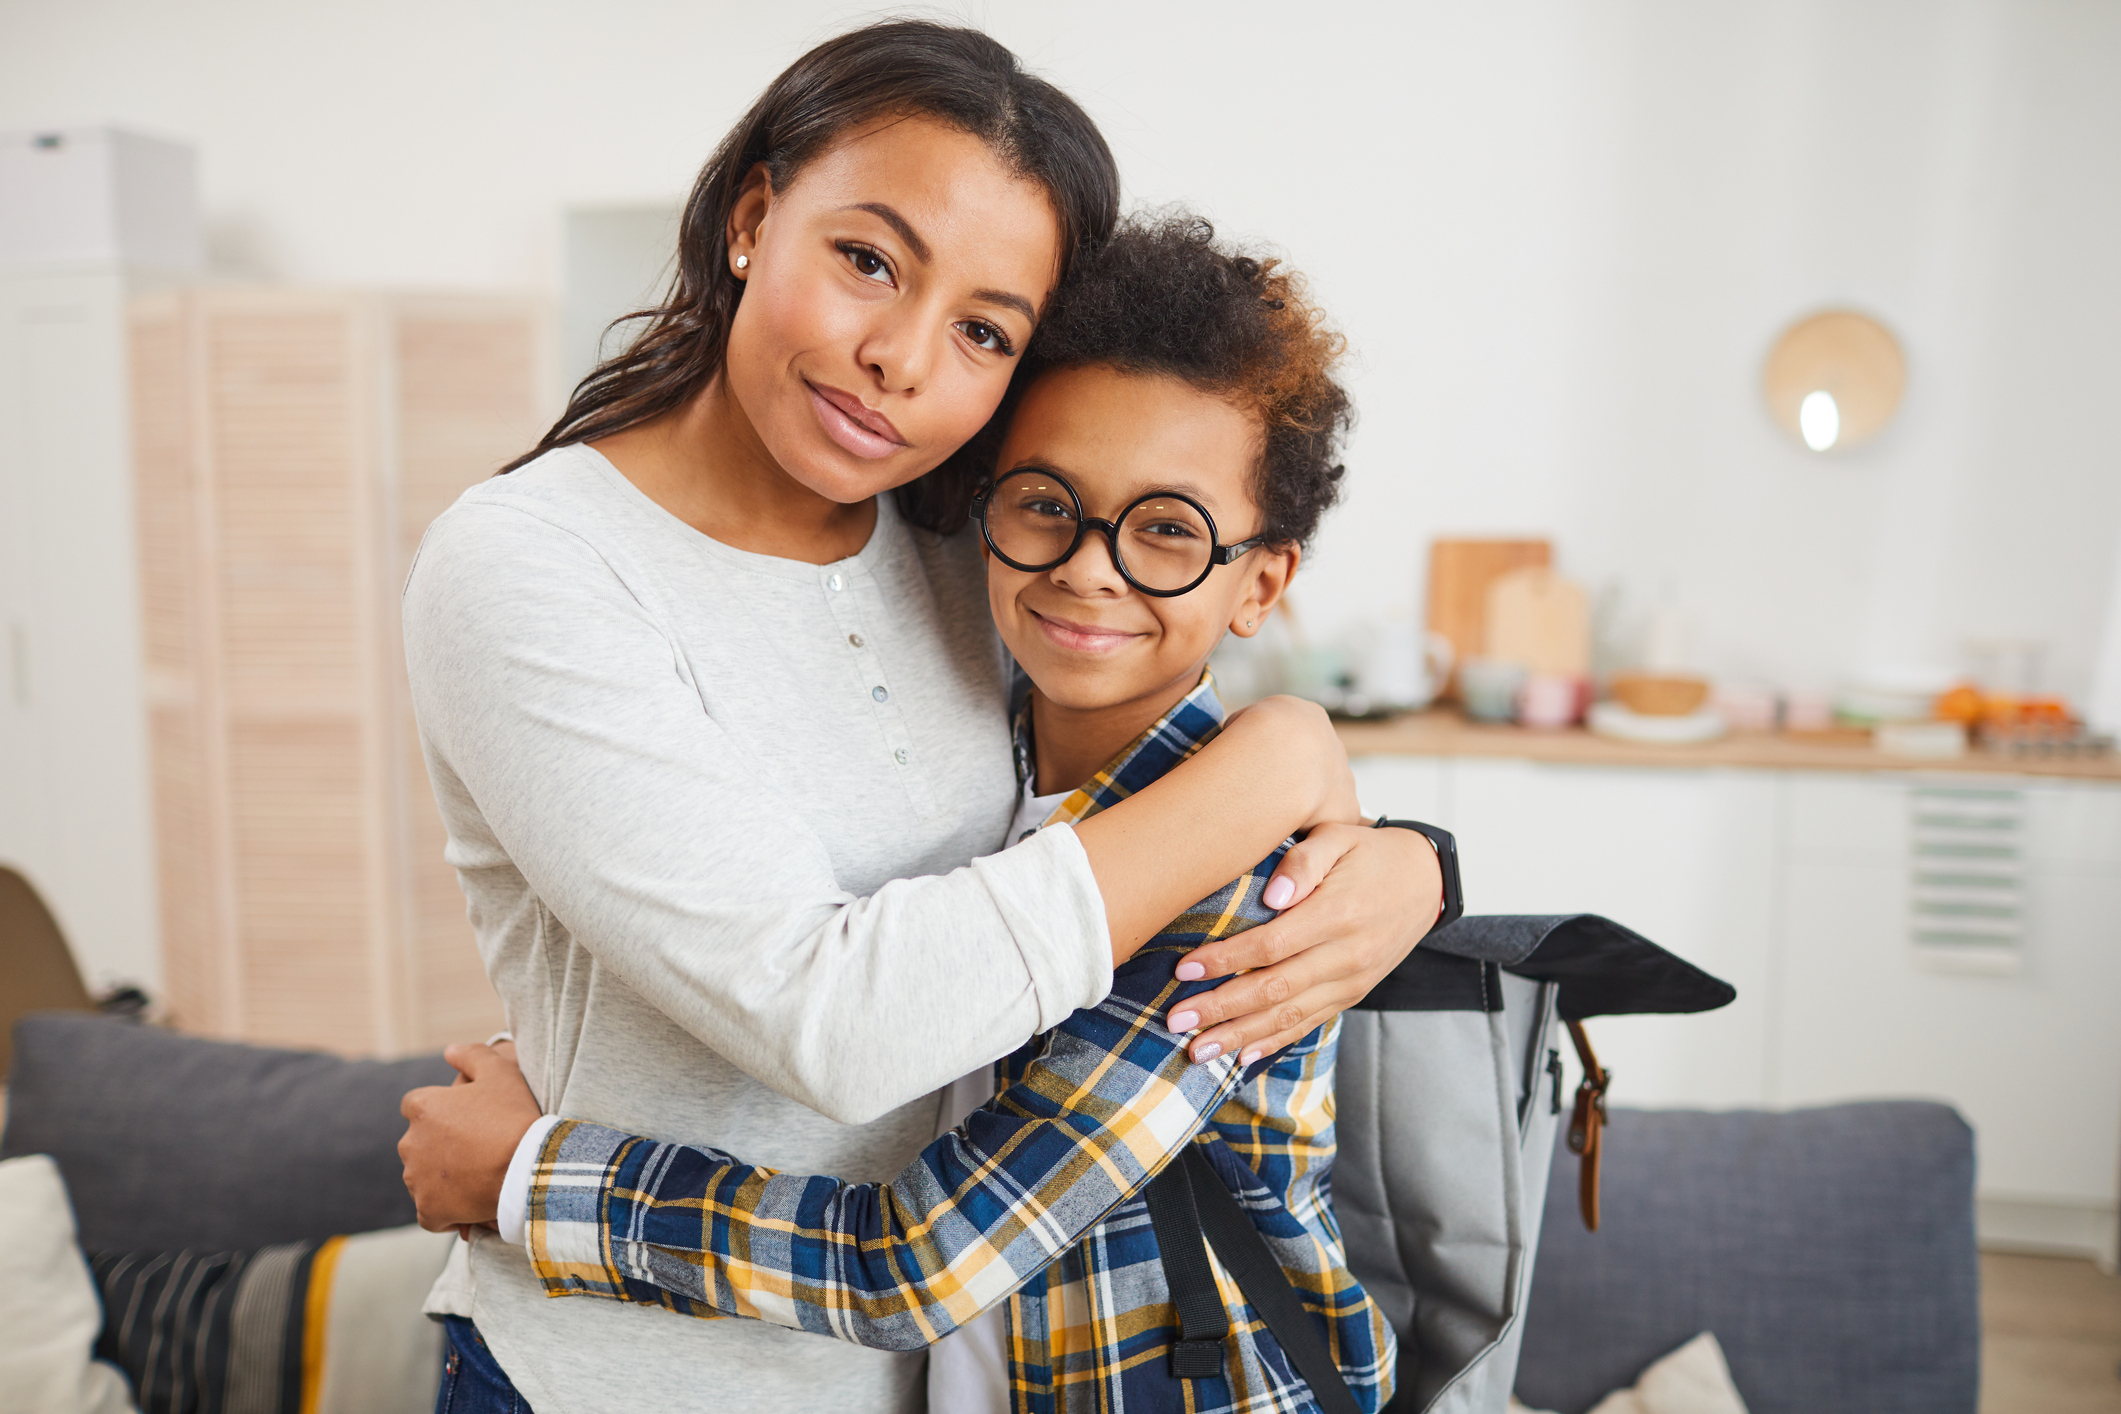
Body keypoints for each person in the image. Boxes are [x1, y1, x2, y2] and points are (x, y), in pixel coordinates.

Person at [396, 21, 1442, 1414]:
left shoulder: (963, 541)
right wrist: (1282, 764)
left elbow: (1145, 728)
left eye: (983, 331)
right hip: (629, 1377)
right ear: (756, 216)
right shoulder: (531, 566)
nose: (899, 358)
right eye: (868, 259)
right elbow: (834, 1018)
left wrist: (1399, 846)